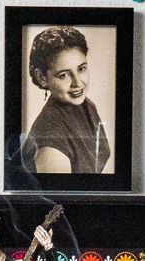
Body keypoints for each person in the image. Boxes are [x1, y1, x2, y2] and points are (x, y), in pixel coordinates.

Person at [21, 26, 110, 175]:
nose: (77, 82)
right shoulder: (50, 145)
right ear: (42, 78)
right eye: (63, 75)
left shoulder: (87, 106)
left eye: (81, 69)